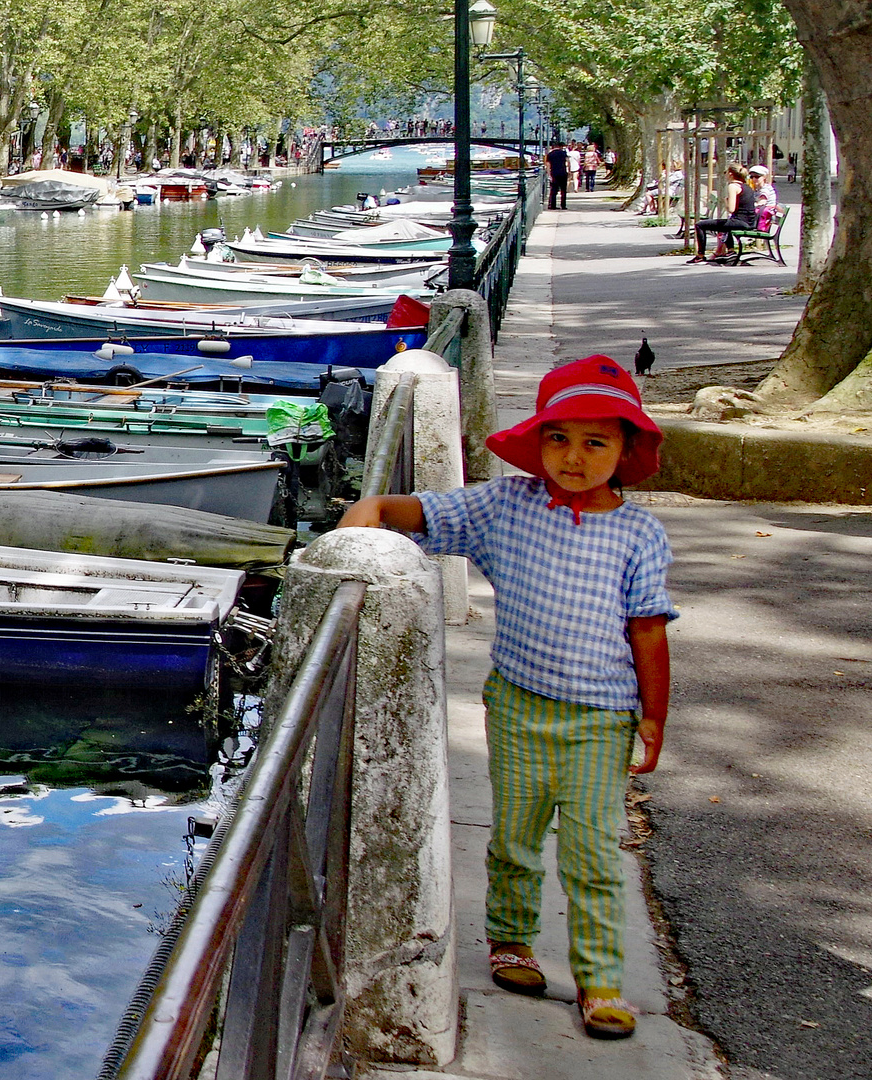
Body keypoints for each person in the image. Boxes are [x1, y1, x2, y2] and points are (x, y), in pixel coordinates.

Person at [336, 356, 674, 1042]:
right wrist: (361, 521)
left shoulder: (640, 535)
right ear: (538, 442)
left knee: (591, 853)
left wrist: (654, 713)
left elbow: (647, 632)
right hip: (519, 706)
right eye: (559, 439)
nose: (574, 457)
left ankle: (601, 979)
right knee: (515, 838)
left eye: (595, 442)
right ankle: (511, 941)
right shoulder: (506, 507)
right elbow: (409, 512)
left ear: (626, 449)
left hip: (600, 718)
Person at [688, 163, 757, 264]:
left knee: (700, 225)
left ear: (730, 174)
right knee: (724, 224)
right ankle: (730, 251)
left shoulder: (733, 186)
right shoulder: (747, 187)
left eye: (726, 173)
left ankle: (700, 255)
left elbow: (731, 209)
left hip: (740, 222)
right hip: (749, 222)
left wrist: (726, 201)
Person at [546, 143, 569, 209]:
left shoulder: (550, 154)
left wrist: (549, 174)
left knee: (553, 190)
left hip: (554, 173)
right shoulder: (563, 153)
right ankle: (563, 205)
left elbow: (548, 165)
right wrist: (569, 171)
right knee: (563, 190)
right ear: (560, 147)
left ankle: (553, 205)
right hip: (563, 173)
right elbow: (567, 162)